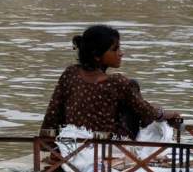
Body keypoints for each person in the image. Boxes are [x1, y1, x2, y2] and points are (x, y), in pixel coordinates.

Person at [40, 25, 181, 137]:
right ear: (97, 55)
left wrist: (47, 146)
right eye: (115, 49)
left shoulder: (70, 73)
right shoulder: (117, 82)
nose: (121, 53)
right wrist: (164, 114)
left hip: (73, 143)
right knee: (133, 86)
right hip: (107, 148)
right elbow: (146, 112)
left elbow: (52, 114)